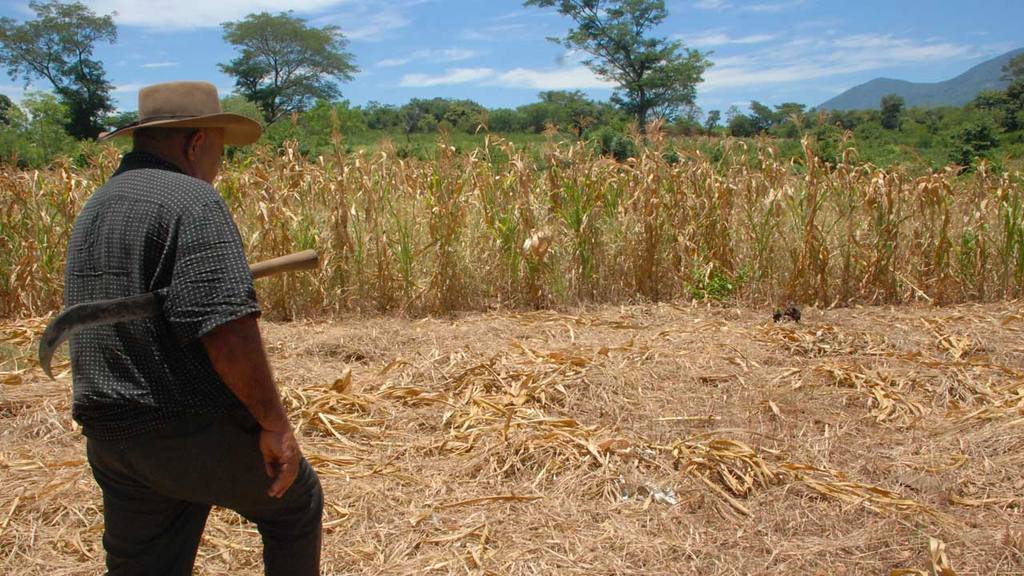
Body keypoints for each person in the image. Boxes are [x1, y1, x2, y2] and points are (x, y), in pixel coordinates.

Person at [64, 81, 322, 575]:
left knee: (142, 564)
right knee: (295, 503)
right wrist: (274, 424)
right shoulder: (193, 201)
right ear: (196, 143)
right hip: (183, 428)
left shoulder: (97, 206)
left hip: (111, 437)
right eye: (220, 150)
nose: (218, 165)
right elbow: (227, 329)